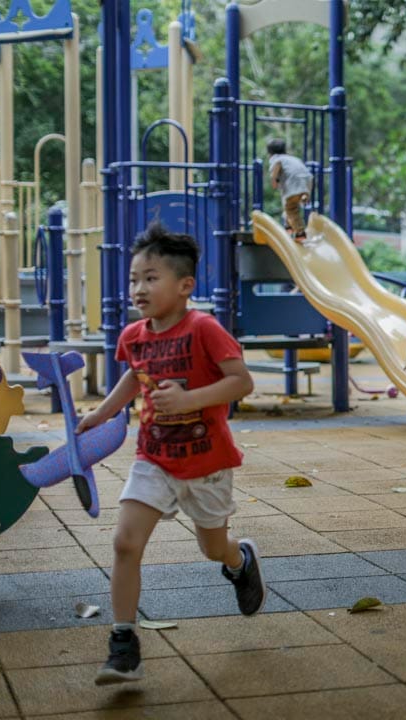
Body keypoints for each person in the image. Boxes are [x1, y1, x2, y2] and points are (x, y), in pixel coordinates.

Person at [77, 223, 261, 685]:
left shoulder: (205, 328)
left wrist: (189, 399)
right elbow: (133, 377)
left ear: (184, 286)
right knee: (125, 543)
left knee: (211, 546)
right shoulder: (135, 335)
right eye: (134, 278)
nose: (138, 288)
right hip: (154, 457)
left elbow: (241, 381)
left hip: (207, 462)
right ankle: (124, 644)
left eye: (151, 277)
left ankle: (240, 562)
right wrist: (100, 414)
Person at [266, 138, 313, 241]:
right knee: (291, 203)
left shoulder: (276, 159)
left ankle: (300, 232)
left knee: (291, 208)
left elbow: (275, 171)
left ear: (270, 153)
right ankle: (288, 225)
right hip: (307, 181)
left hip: (293, 183)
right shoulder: (293, 159)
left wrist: (274, 181)